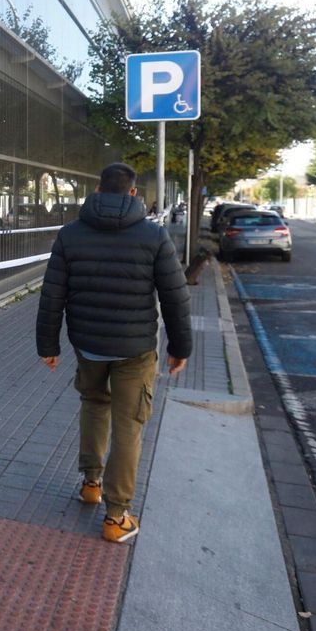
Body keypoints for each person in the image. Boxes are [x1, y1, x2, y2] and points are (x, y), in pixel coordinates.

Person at [35, 162, 192, 543]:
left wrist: (48, 346)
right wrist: (180, 346)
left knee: (93, 406)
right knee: (129, 426)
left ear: (98, 190)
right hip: (135, 350)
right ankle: (116, 516)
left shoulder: (70, 234)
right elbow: (174, 296)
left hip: (88, 345)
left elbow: (52, 293)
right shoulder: (153, 237)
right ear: (133, 193)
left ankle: (91, 483)